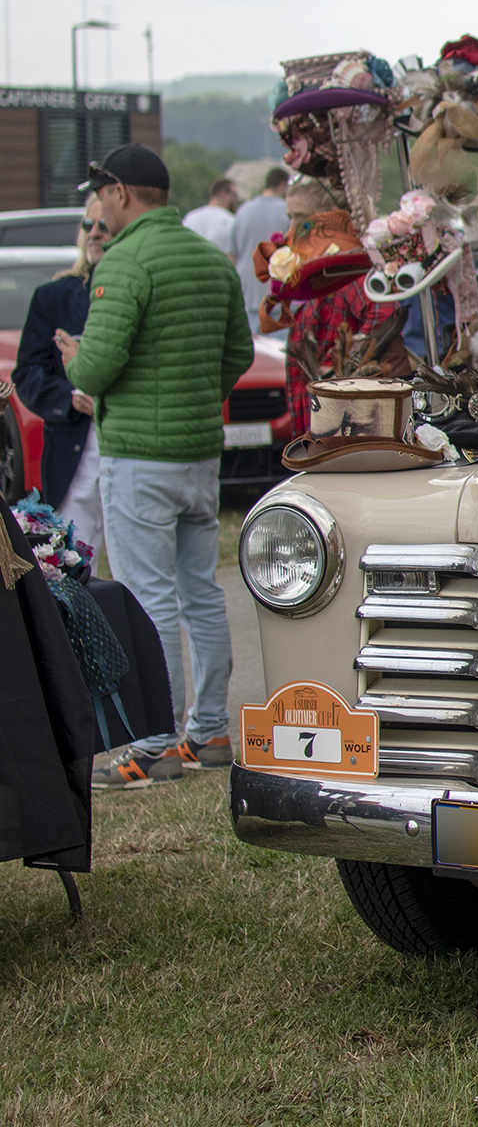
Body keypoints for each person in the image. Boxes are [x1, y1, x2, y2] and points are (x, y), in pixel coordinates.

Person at [56, 143, 254, 790]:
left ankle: (155, 743)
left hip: (140, 456)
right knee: (200, 594)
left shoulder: (126, 261)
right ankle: (210, 732)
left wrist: (73, 359)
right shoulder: (208, 258)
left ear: (120, 194)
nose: (97, 207)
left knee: (148, 601)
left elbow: (96, 369)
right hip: (199, 453)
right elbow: (238, 353)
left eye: (100, 194)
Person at [12, 197, 110, 557]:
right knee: (75, 563)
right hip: (75, 447)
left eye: (104, 225)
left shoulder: (138, 290)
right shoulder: (53, 296)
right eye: (89, 225)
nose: (95, 234)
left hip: (132, 446)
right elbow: (28, 373)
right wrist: (69, 398)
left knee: (140, 575)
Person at [282, 179, 400, 435]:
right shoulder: (321, 271)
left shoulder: (346, 270)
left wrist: (345, 372)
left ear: (333, 220)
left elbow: (385, 311)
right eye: (290, 217)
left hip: (342, 432)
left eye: (301, 219)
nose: (291, 229)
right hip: (320, 431)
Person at [232, 167, 290, 332]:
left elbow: (233, 253)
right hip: (276, 291)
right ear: (282, 185)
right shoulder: (286, 211)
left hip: (247, 289)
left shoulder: (243, 211)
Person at [182, 177, 239, 262]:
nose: (235, 200)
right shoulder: (232, 221)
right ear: (223, 193)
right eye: (234, 195)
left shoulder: (190, 217)